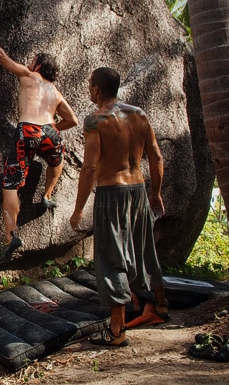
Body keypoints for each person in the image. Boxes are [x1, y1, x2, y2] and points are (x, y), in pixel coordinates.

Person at [69, 67, 169, 347]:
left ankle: (116, 330)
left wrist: (78, 210)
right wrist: (156, 193)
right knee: (144, 248)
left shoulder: (96, 120)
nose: (90, 90)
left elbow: (89, 168)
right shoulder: (140, 115)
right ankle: (161, 304)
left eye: (90, 86)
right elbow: (157, 157)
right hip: (138, 190)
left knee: (110, 256)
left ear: (97, 90)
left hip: (111, 192)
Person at [0, 15, 78, 263]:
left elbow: (1, 57)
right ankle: (46, 195)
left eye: (33, 60)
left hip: (28, 130)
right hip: (50, 131)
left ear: (39, 66)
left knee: (11, 184)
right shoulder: (55, 92)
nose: (29, 62)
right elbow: (72, 120)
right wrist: (52, 128)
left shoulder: (29, 76)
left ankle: (10, 237)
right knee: (57, 161)